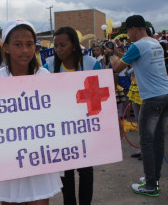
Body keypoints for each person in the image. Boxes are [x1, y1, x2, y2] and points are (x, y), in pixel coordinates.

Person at [0, 20, 62, 205]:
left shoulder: (44, 77)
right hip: (8, 158)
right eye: (18, 45)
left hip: (39, 157)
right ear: (7, 47)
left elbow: (60, 115)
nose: (25, 50)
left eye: (29, 44)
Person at [108, 15, 168, 197]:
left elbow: (117, 68)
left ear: (134, 29)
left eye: (128, 32)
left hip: (153, 99)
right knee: (158, 141)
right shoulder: (154, 44)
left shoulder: (138, 46)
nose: (128, 36)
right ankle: (154, 179)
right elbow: (134, 59)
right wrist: (118, 54)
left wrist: (110, 56)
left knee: (146, 141)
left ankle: (151, 186)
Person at [43, 26, 100, 205]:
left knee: (85, 170)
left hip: (85, 127)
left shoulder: (91, 64)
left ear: (74, 44)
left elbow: (102, 95)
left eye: (63, 45)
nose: (59, 49)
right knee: (65, 172)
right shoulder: (49, 66)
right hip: (61, 129)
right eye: (56, 45)